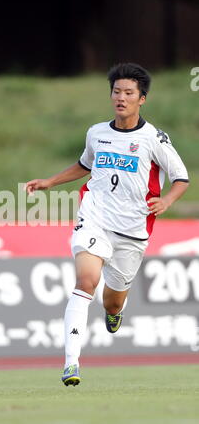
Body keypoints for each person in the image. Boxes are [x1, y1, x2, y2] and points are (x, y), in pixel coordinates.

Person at [25, 63, 189, 386]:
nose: (121, 98)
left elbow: (181, 177)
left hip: (132, 231)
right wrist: (51, 182)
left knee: (111, 301)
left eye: (129, 93)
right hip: (95, 218)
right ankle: (71, 364)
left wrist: (167, 201)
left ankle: (114, 313)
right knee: (86, 281)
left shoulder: (153, 138)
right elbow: (84, 165)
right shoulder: (96, 133)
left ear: (142, 98)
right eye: (116, 92)